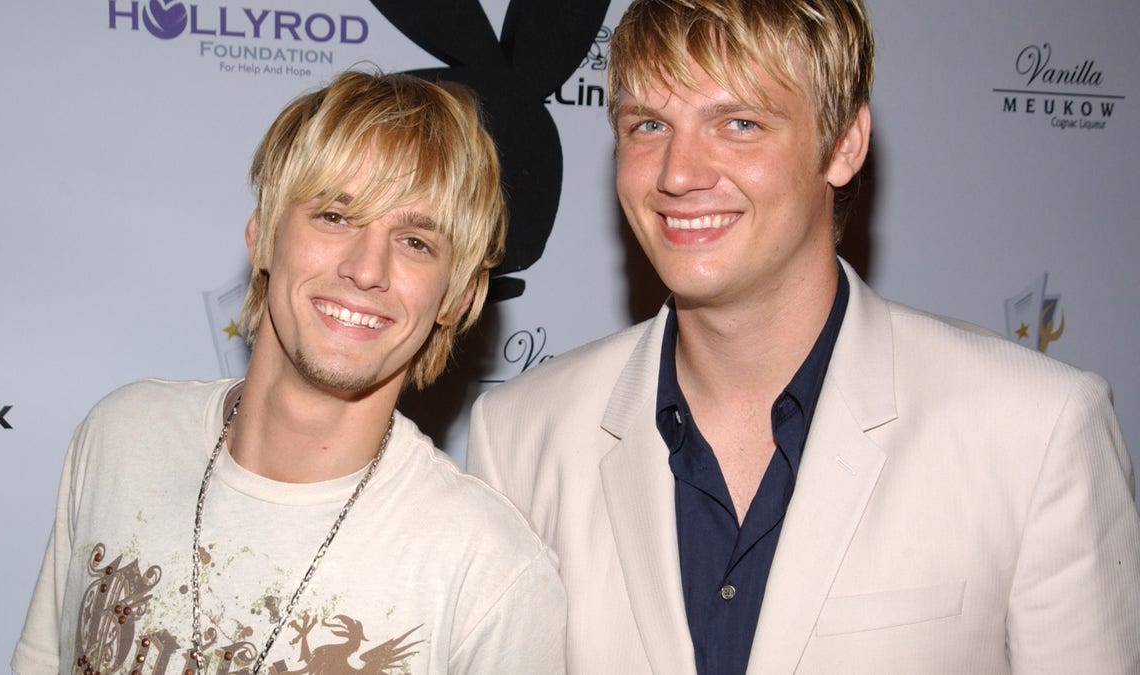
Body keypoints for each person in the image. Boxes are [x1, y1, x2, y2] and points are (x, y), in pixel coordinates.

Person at [467, 0, 1140, 673]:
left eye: (739, 123)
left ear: (844, 143)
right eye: (648, 124)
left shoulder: (1034, 429)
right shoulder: (524, 435)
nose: (678, 173)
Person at [12, 70, 565, 675]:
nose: (366, 268)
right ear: (263, 238)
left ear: (456, 299)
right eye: (335, 216)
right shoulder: (121, 439)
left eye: (414, 242)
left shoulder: (490, 572)